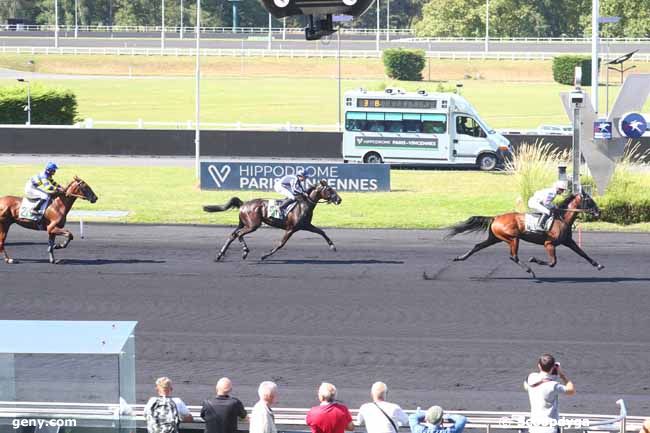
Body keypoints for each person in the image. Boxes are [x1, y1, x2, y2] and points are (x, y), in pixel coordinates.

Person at [524, 353, 576, 433]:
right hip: (550, 428)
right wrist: (561, 375)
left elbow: (526, 386)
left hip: (534, 427)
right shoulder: (553, 385)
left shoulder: (531, 377)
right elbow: (571, 391)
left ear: (539, 366)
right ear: (552, 367)